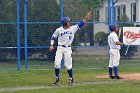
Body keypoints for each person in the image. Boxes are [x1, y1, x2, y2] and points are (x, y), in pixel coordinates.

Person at [49, 11, 92, 85]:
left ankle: (71, 79)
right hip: (60, 48)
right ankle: (57, 78)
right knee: (56, 63)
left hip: (68, 49)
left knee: (68, 65)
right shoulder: (59, 30)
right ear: (64, 23)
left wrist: (87, 17)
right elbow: (53, 37)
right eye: (68, 22)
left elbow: (81, 23)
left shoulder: (73, 28)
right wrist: (51, 45)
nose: (69, 23)